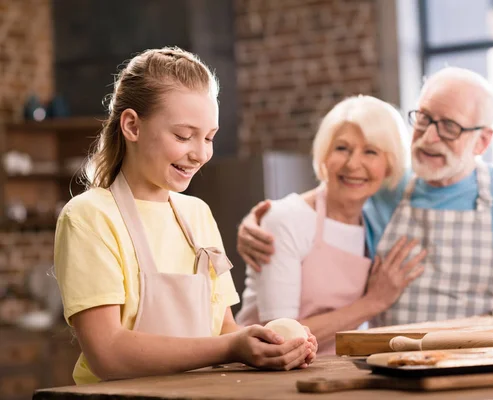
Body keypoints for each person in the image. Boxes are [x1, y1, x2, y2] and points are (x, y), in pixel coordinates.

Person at [53, 47, 316, 385]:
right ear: (132, 125)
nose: (201, 153)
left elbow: (224, 329)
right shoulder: (90, 217)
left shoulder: (198, 214)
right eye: (183, 136)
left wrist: (270, 346)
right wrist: (231, 347)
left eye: (209, 138)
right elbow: (109, 353)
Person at [237, 67, 493, 327]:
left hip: (482, 367)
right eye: (425, 118)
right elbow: (324, 202)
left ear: (482, 141)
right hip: (386, 372)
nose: (430, 137)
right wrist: (256, 222)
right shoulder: (385, 188)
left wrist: (492, 318)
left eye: (450, 127)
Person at [235, 95, 427, 354]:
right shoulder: (287, 219)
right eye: (342, 148)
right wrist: (373, 302)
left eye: (370, 151)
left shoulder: (375, 221)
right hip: (265, 370)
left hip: (333, 367)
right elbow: (280, 336)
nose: (353, 164)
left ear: (390, 164)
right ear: (324, 153)